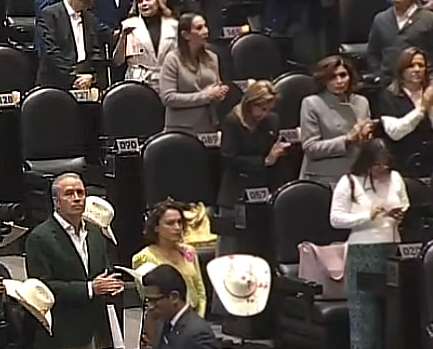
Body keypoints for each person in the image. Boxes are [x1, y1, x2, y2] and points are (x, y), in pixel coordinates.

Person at [329, 139, 406, 349]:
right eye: (376, 165)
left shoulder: (396, 178)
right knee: (366, 314)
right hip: (363, 249)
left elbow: (404, 202)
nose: (381, 169)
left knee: (392, 314)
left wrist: (399, 214)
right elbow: (336, 219)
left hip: (391, 247)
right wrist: (367, 215)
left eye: (385, 164)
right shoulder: (349, 182)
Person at [24, 173, 122, 349]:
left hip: (98, 331)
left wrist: (112, 284)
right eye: (69, 194)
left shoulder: (95, 232)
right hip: (64, 335)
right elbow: (41, 288)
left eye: (80, 193)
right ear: (56, 202)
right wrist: (89, 288)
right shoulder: (39, 238)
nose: (77, 198)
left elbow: (103, 271)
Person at [132, 201, 207, 349]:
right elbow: (148, 299)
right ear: (156, 227)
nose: (177, 227)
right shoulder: (144, 257)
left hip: (192, 321)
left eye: (179, 222)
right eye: (170, 223)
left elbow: (200, 292)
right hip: (163, 326)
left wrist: (197, 320)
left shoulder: (189, 252)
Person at [130, 265, 219, 349]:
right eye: (148, 300)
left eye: (154, 300)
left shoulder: (199, 333)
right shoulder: (162, 324)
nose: (151, 306)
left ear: (174, 297)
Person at [299, 55, 373, 187]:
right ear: (323, 80)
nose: (339, 81)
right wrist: (347, 140)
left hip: (358, 173)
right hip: (325, 177)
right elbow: (310, 148)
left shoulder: (361, 102)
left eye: (343, 75)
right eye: (332, 77)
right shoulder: (312, 103)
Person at [218, 81, 286, 214]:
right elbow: (229, 159)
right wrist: (265, 161)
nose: (265, 114)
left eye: (269, 109)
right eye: (262, 109)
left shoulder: (272, 120)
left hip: (264, 187)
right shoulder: (232, 121)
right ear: (250, 104)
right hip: (237, 189)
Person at [159, 13, 227, 134]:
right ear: (186, 35)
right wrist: (205, 96)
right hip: (181, 128)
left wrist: (219, 93)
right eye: (199, 28)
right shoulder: (172, 59)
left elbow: (215, 89)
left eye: (205, 26)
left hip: (208, 126)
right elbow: (168, 98)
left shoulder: (212, 57)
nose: (206, 31)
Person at [36, 0, 101, 90]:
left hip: (85, 82)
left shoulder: (90, 18)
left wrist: (91, 76)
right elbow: (51, 52)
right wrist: (74, 77)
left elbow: (95, 53)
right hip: (56, 85)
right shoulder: (49, 15)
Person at [376, 48, 433, 175]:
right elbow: (395, 132)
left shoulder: (430, 94)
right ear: (401, 70)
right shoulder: (388, 96)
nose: (417, 69)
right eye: (411, 65)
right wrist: (422, 108)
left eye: (421, 65)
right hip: (403, 164)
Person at [368, 0, 433, 80]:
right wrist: (379, 75)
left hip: (421, 81)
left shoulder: (428, 19)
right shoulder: (380, 19)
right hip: (388, 81)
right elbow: (373, 52)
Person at [114, 0, 177, 85]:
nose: (144, 4)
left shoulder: (173, 25)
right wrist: (122, 37)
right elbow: (118, 61)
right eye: (140, 1)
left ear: (158, 0)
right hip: (138, 80)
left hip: (167, 79)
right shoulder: (128, 25)